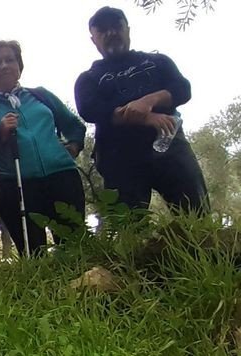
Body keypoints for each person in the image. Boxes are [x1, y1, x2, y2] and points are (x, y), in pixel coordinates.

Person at [74, 6, 206, 213]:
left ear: (128, 29)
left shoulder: (158, 61)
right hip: (118, 158)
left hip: (170, 146)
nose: (111, 33)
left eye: (116, 26)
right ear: (93, 39)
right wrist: (145, 118)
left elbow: (182, 89)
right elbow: (91, 110)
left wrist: (149, 100)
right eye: (102, 30)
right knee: (128, 225)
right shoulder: (88, 79)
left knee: (196, 213)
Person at [0, 41, 87, 256]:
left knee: (74, 246)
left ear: (19, 65)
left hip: (62, 176)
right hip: (15, 184)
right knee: (33, 252)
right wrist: (0, 131)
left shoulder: (40, 95)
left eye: (10, 60)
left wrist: (73, 147)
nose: (4, 65)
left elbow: (74, 126)